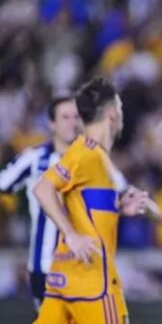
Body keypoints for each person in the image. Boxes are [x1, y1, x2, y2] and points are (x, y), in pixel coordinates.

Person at [32, 78, 148, 324]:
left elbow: (82, 205)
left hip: (65, 279)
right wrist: (71, 234)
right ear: (111, 113)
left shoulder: (96, 157)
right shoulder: (87, 153)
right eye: (120, 106)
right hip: (94, 284)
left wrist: (118, 208)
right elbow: (43, 188)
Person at [0, 96, 81, 312]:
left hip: (84, 267)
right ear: (52, 123)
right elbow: (3, 182)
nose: (72, 122)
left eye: (76, 117)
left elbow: (120, 191)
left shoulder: (93, 160)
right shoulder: (35, 159)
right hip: (45, 266)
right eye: (65, 117)